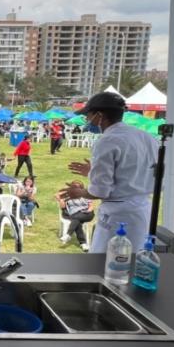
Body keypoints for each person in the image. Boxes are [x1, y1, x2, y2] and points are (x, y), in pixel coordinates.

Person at [58, 91, 157, 253]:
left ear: (99, 115)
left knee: (108, 262)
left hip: (119, 215)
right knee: (134, 259)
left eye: (88, 116)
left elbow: (101, 191)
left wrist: (79, 192)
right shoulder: (146, 137)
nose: (87, 120)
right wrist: (93, 173)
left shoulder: (107, 141)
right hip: (142, 209)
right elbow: (133, 173)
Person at [55, 180, 95, 252]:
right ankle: (83, 244)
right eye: (75, 187)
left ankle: (68, 234)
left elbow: (91, 206)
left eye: (78, 187)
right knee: (77, 221)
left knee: (75, 218)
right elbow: (57, 195)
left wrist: (88, 210)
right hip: (75, 215)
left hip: (86, 214)